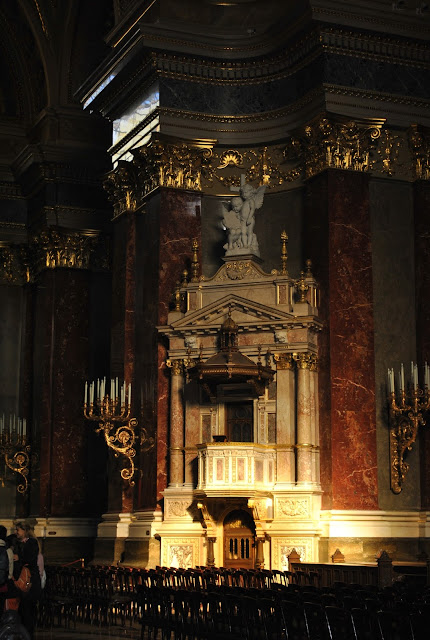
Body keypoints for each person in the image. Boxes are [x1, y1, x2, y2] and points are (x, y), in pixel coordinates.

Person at [14, 524, 41, 640]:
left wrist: (18, 558)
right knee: (24, 610)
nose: (16, 532)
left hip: (30, 581)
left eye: (18, 530)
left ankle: (28, 635)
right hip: (26, 580)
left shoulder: (32, 542)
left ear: (25, 531)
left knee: (28, 610)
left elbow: (30, 559)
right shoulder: (23, 543)